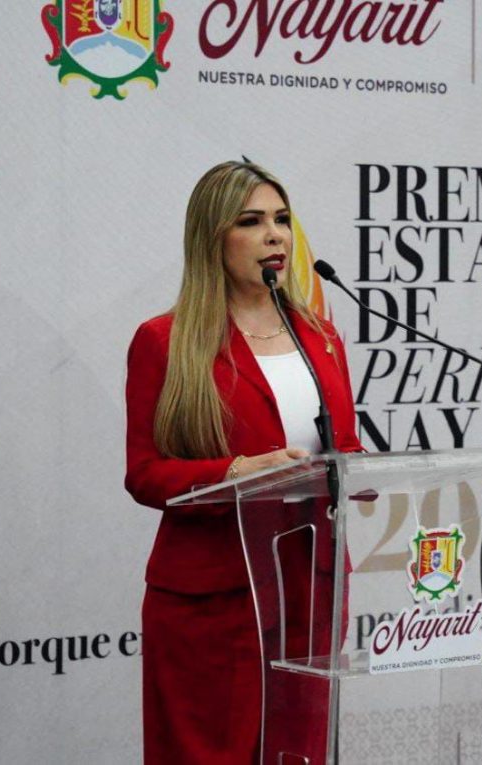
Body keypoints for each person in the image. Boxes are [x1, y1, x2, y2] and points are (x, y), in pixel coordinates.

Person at [124, 160, 362, 764]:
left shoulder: (321, 338)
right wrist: (235, 472)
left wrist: (356, 472)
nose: (275, 235)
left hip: (310, 586)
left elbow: (345, 449)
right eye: (251, 222)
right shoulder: (166, 341)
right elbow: (144, 475)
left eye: (281, 219)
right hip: (214, 595)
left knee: (298, 751)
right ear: (213, 237)